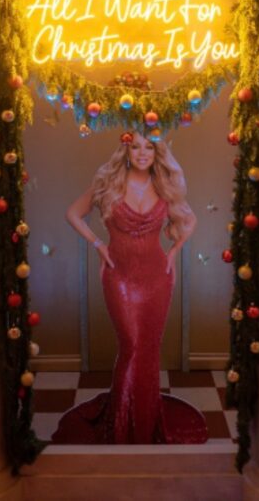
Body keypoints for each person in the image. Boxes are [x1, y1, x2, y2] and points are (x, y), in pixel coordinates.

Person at [54, 131, 207, 445]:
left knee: (148, 349)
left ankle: (146, 419)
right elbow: (72, 213)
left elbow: (191, 220)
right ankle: (122, 426)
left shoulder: (164, 185)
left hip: (157, 278)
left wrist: (174, 252)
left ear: (156, 152)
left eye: (149, 147)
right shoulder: (108, 184)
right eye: (135, 146)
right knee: (132, 346)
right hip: (119, 277)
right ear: (126, 150)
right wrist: (98, 245)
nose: (142, 153)